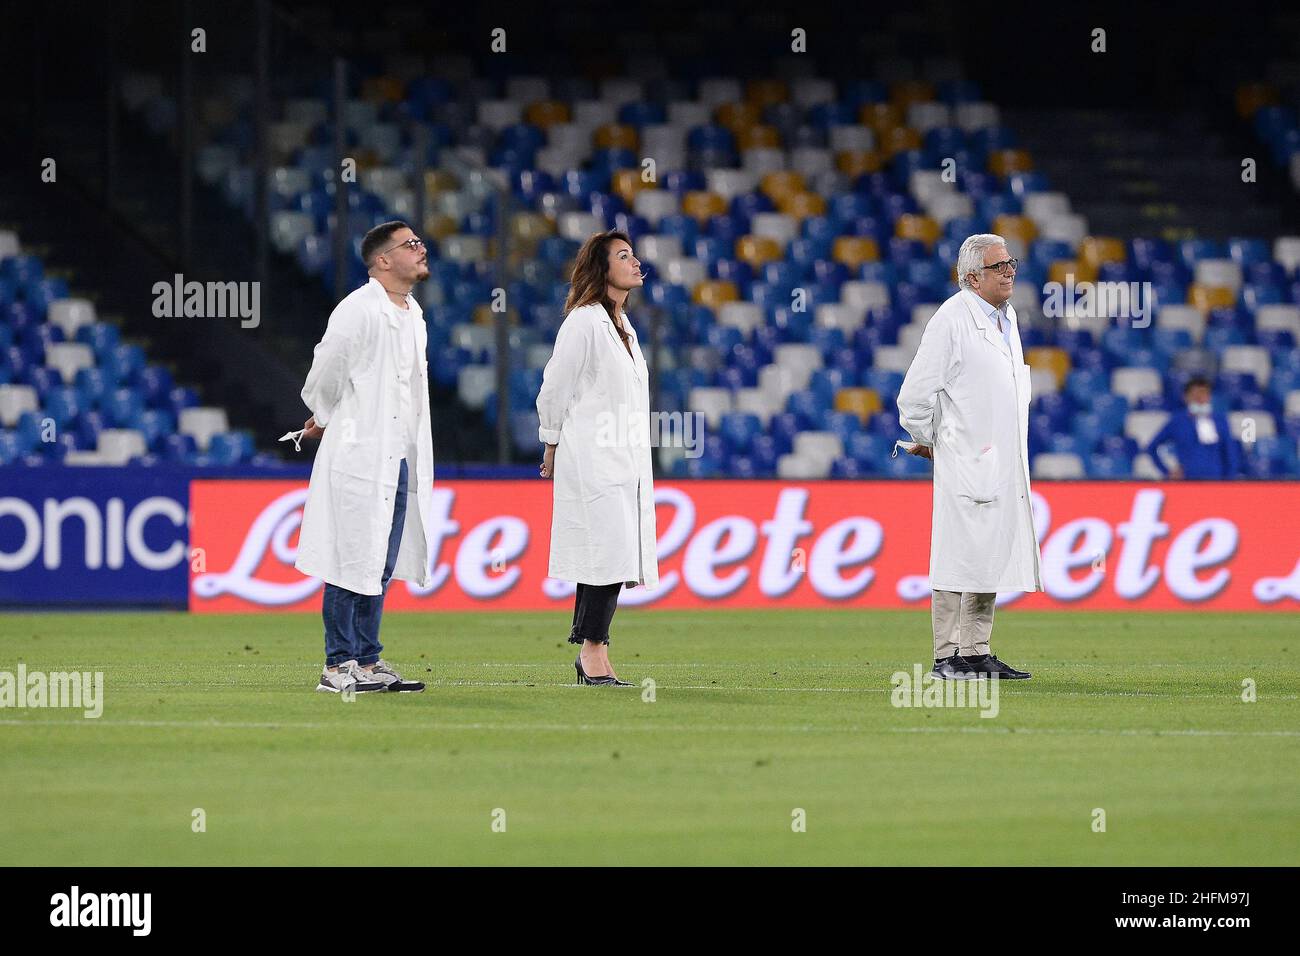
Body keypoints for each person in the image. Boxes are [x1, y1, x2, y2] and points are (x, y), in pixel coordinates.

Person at [296, 220, 431, 694]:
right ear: (383, 260)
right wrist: (325, 414)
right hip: (359, 455)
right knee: (348, 558)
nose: (421, 249)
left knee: (379, 560)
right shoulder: (357, 309)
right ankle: (337, 666)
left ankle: (368, 660)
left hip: (397, 457)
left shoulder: (413, 313)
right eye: (410, 244)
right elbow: (326, 368)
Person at [896, 233, 1039, 681]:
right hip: (964, 460)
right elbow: (914, 395)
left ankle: (976, 651)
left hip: (1001, 462)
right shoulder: (951, 319)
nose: (1010, 270)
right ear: (973, 277)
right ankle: (946, 656)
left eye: (1011, 262)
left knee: (987, 556)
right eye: (999, 266)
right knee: (956, 556)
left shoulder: (1006, 318)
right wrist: (934, 440)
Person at [536, 230, 659, 686]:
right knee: (605, 553)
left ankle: (597, 651)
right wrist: (550, 440)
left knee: (614, 553)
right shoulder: (584, 321)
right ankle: (590, 652)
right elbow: (555, 386)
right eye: (623, 256)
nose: (634, 261)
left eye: (632, 254)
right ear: (602, 269)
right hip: (591, 454)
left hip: (622, 456)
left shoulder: (623, 325)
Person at [1143, 376, 1242, 479]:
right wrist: (1167, 471)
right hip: (1187, 483)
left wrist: (1229, 481)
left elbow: (1231, 455)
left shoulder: (1220, 421)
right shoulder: (1177, 421)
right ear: (1185, 397)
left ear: (1209, 397)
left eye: (1203, 394)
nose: (1199, 398)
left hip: (1215, 483)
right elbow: (1152, 447)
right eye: (1194, 394)